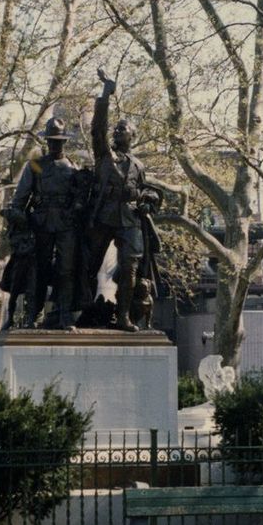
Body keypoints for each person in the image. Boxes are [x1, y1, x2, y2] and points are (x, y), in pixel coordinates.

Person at [88, 67, 159, 331]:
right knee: (90, 262)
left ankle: (123, 317)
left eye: (122, 130)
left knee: (130, 269)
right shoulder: (104, 155)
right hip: (105, 214)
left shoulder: (138, 165)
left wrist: (147, 198)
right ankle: (75, 310)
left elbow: (146, 190)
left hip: (130, 218)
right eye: (116, 129)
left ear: (132, 136)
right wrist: (106, 92)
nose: (117, 132)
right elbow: (98, 128)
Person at [10, 116, 78, 328]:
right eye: (50, 140)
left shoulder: (73, 167)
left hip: (66, 223)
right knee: (39, 268)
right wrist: (17, 214)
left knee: (66, 269)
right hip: (41, 222)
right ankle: (33, 315)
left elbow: (80, 196)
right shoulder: (37, 166)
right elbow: (22, 194)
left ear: (64, 141)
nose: (53, 144)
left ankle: (65, 315)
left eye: (57, 140)